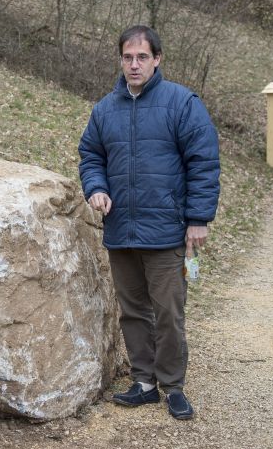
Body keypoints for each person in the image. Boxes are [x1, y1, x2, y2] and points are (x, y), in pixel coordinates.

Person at [78, 25, 220, 420]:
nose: (134, 64)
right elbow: (91, 156)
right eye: (128, 57)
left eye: (142, 57)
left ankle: (173, 384)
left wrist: (198, 219)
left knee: (169, 312)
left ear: (157, 59)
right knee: (133, 310)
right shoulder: (105, 109)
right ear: (120, 60)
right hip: (121, 229)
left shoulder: (182, 103)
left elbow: (204, 163)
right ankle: (144, 382)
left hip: (167, 231)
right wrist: (96, 188)